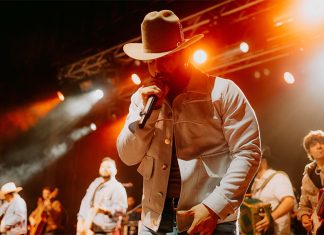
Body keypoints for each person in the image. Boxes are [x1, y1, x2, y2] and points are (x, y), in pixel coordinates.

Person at [117, 10, 261, 234]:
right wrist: (147, 116)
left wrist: (214, 207)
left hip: (209, 219)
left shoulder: (222, 91)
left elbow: (247, 152)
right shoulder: (142, 99)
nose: (157, 69)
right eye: (151, 61)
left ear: (183, 54)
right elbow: (127, 156)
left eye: (164, 58)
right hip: (153, 222)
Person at [250, 146, 295, 234]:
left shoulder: (277, 177)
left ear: (262, 160)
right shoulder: (256, 183)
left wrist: (270, 218)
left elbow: (289, 202)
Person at [77, 157, 128, 235]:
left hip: (105, 231)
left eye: (108, 167)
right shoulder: (95, 183)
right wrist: (80, 220)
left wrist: (105, 210)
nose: (105, 168)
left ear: (115, 171)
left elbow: (122, 209)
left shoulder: (118, 187)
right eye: (103, 166)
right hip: (89, 229)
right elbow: (85, 202)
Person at [298, 130, 324, 235]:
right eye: (314, 145)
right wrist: (305, 218)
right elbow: (304, 205)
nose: (319, 146)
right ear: (309, 152)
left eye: (322, 142)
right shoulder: (308, 175)